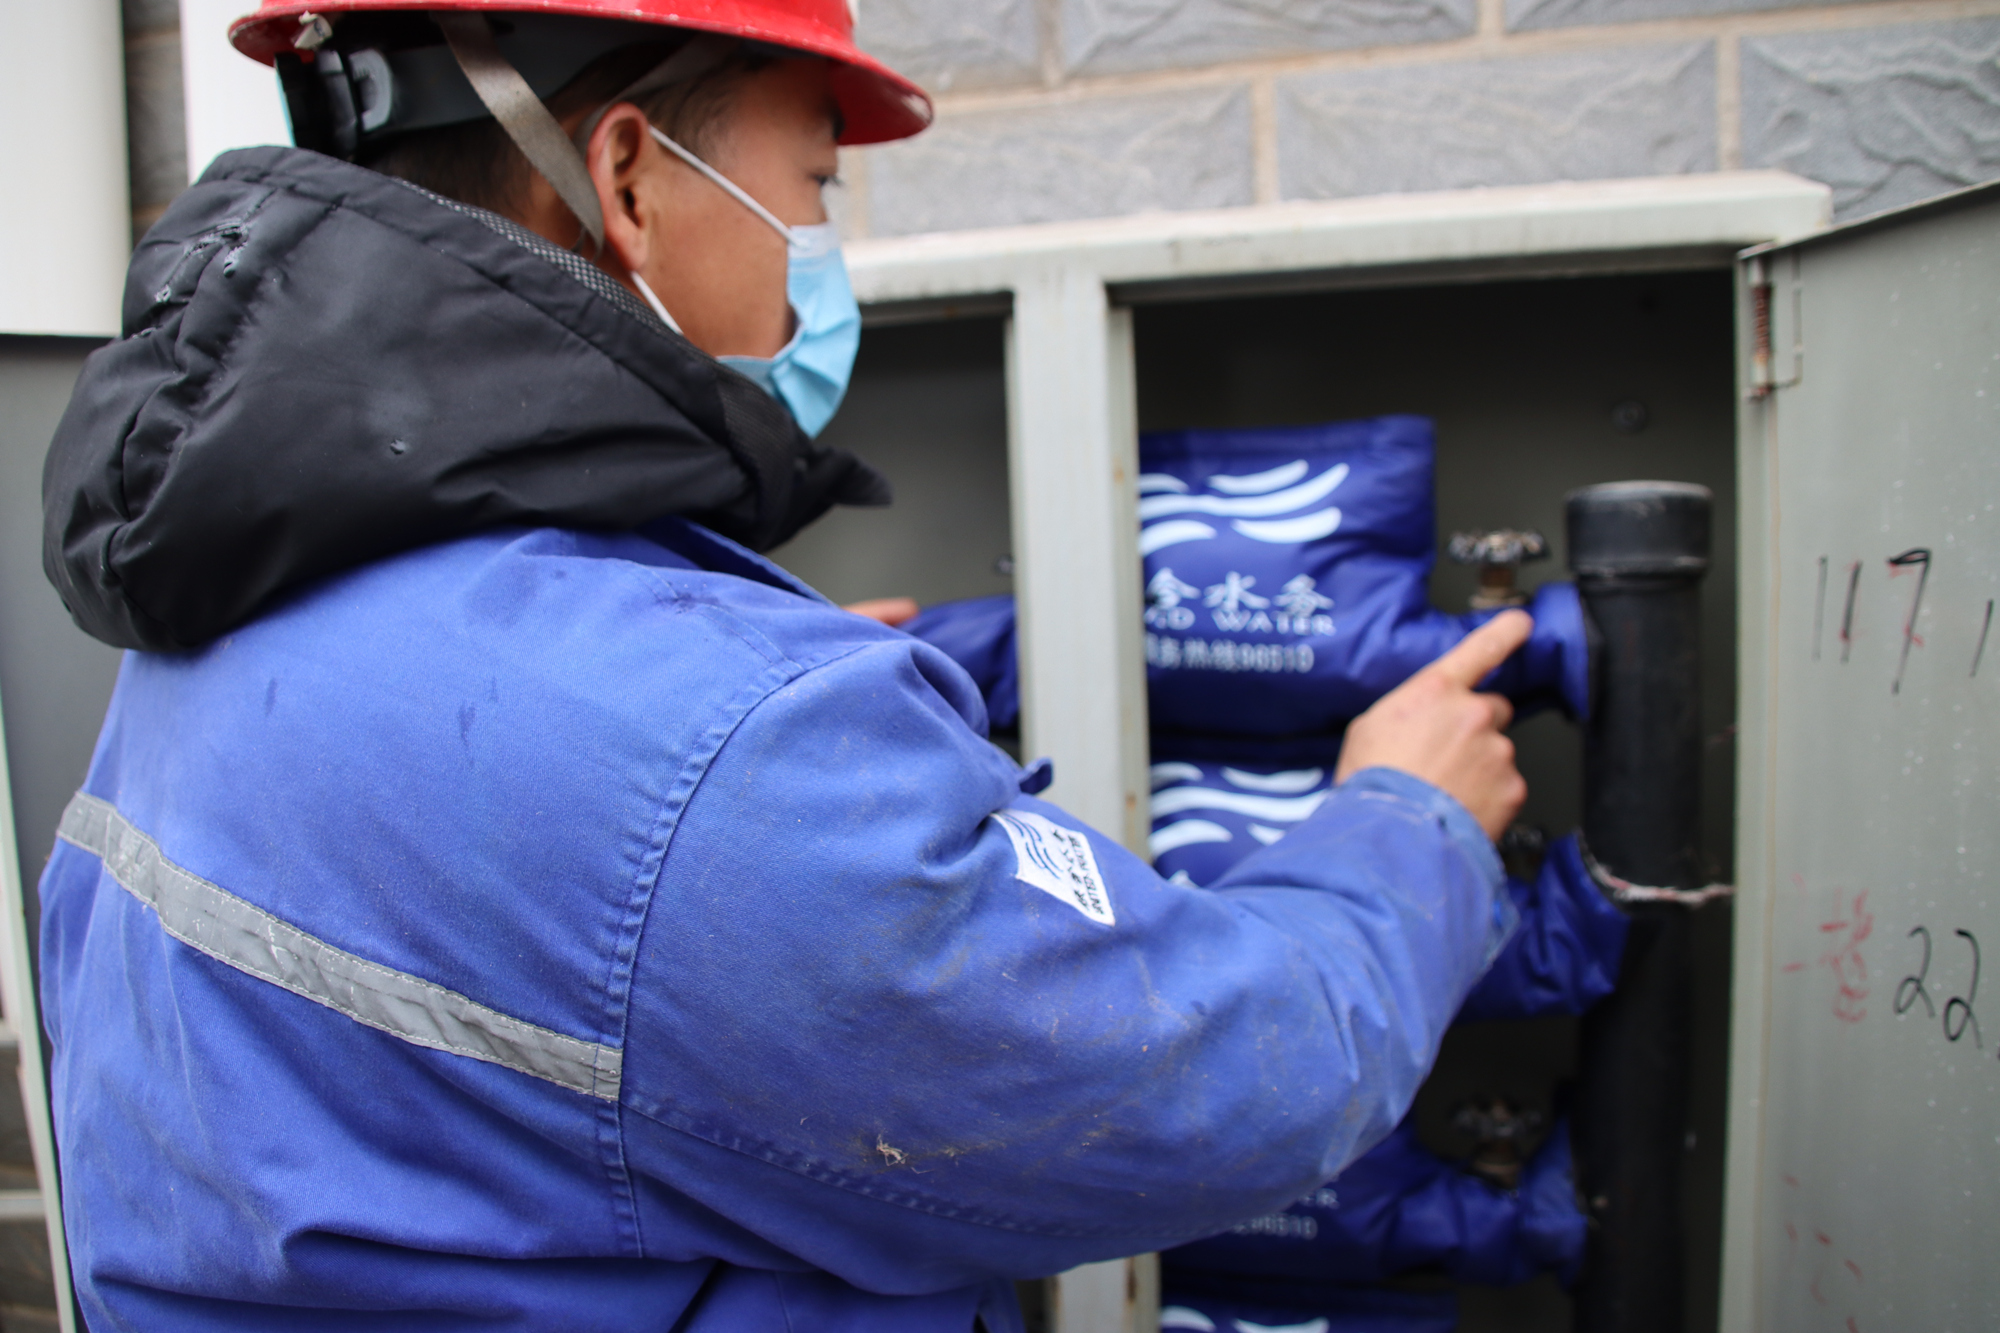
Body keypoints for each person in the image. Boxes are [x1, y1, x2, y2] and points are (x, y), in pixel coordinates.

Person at [37, 3, 1532, 1328]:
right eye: (815, 186)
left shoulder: (221, 618)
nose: (823, 248)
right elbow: (1218, 1086)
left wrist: (738, 735)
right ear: (630, 181)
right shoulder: (717, 754)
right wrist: (1408, 823)